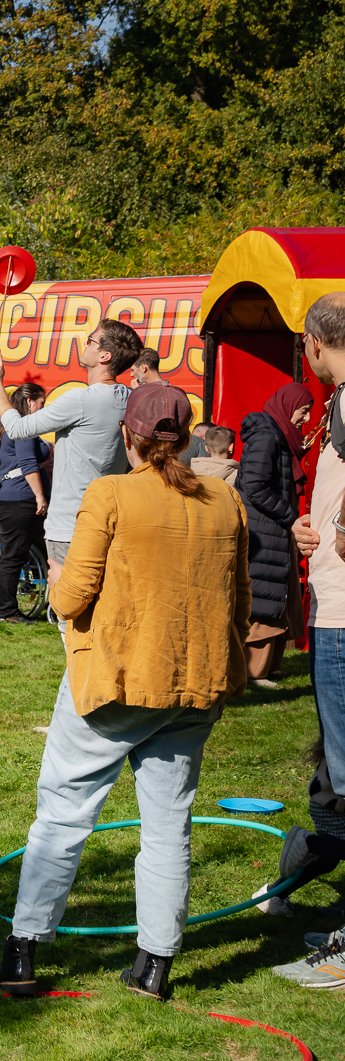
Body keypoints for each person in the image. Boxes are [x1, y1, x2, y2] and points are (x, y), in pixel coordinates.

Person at [0, 381, 249, 1004]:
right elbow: (238, 598)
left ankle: (23, 951)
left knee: (63, 812)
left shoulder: (111, 493)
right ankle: (155, 965)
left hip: (117, 681)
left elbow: (71, 597)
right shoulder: (225, 499)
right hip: (193, 684)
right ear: (184, 439)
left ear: (128, 435)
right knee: (168, 826)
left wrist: (55, 580)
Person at [263, 292, 345, 984]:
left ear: (315, 345)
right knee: (336, 777)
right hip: (333, 608)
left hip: (344, 619)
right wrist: (310, 524)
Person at [0, 319, 141, 591]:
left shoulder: (80, 400)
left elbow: (17, 429)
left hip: (71, 525)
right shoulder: (131, 398)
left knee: (67, 606)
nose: (85, 343)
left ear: (105, 356)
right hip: (109, 520)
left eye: (91, 340)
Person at [237, 383, 313, 687]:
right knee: (263, 598)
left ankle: (268, 667)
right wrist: (291, 517)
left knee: (277, 595)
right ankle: (252, 672)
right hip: (262, 530)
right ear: (288, 406)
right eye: (303, 411)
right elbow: (255, 487)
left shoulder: (277, 435)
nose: (306, 419)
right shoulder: (267, 436)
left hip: (274, 529)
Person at [0, 385, 50, 623]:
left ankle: (17, 603)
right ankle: (7, 611)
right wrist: (40, 496)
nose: (43, 409)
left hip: (10, 498)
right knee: (13, 555)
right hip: (18, 500)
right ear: (30, 401)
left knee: (16, 552)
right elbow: (28, 464)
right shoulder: (23, 427)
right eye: (42, 403)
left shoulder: (9, 426)